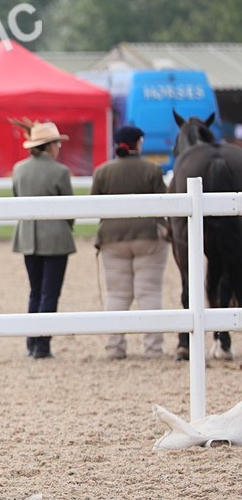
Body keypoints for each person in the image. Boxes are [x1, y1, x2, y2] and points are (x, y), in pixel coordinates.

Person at [91, 125, 168, 359]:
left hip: (113, 238)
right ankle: (153, 349)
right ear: (138, 143)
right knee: (150, 293)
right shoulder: (152, 170)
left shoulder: (102, 172)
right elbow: (165, 204)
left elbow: (94, 205)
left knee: (116, 295)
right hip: (148, 238)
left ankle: (114, 347)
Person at [11, 121, 76, 359]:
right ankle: (43, 345)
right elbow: (69, 209)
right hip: (56, 240)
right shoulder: (60, 172)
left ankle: (31, 342)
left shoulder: (19, 169)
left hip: (28, 237)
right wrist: (68, 227)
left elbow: (16, 197)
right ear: (50, 146)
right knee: (50, 293)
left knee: (35, 291)